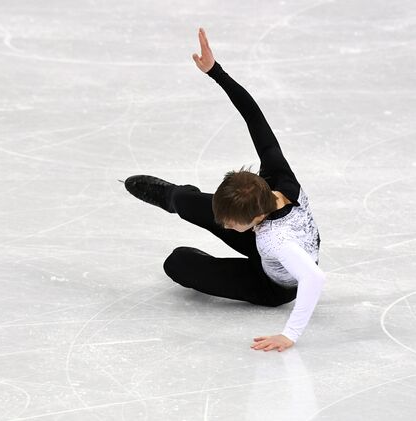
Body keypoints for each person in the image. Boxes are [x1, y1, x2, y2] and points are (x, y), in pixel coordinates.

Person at [122, 27, 325, 352]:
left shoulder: (278, 239)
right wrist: (215, 71)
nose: (225, 225)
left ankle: (205, 255)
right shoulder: (277, 175)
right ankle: (177, 197)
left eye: (230, 223)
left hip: (270, 284)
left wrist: (290, 335)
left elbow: (314, 279)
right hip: (264, 236)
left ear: (255, 217)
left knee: (178, 262)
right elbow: (253, 115)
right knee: (188, 202)